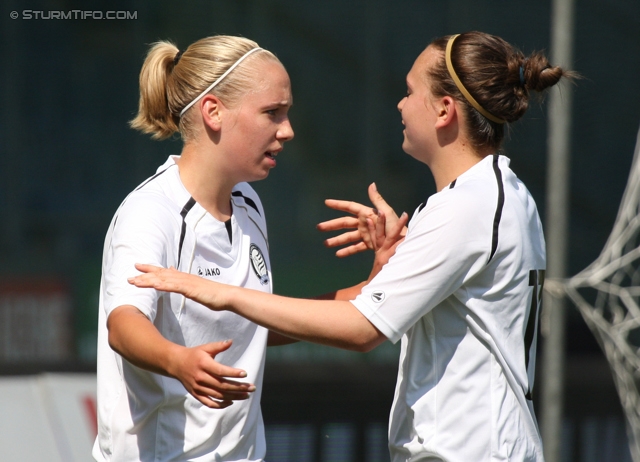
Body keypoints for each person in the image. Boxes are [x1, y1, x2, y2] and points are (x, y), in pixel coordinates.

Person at [129, 31, 575, 461]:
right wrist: (385, 269)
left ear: (443, 110)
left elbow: (362, 329)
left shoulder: (468, 206)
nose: (399, 104)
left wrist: (223, 293)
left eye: (408, 90)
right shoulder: (495, 194)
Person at [93, 35, 300, 462]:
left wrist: (366, 292)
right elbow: (124, 324)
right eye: (272, 113)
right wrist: (178, 360)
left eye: (286, 113)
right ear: (213, 111)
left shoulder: (248, 203)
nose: (287, 130)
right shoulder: (150, 213)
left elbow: (248, 322)